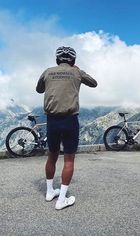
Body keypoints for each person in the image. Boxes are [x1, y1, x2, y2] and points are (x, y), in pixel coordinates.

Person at [36, 46, 97, 210]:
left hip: (52, 121)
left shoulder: (48, 71)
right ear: (73, 60)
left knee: (52, 156)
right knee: (69, 159)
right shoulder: (76, 72)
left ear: (57, 59)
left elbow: (39, 89)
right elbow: (94, 83)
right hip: (70, 120)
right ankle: (61, 200)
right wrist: (77, 70)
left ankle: (50, 192)